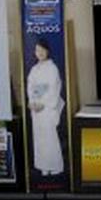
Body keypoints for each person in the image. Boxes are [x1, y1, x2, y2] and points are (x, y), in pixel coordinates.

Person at [27, 39, 65, 176]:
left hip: (47, 107)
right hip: (36, 109)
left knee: (50, 137)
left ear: (47, 51)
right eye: (37, 50)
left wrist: (42, 103)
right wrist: (31, 101)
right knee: (39, 138)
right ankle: (43, 165)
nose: (40, 53)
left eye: (42, 50)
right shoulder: (34, 69)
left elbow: (53, 88)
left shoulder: (52, 68)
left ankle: (55, 166)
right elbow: (30, 87)